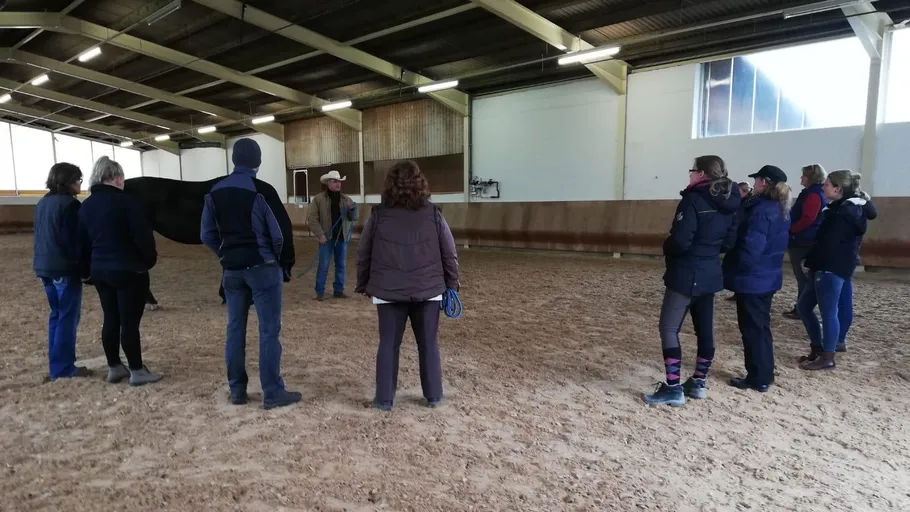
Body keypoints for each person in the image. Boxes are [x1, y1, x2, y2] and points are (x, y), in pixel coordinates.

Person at [201, 137, 300, 409]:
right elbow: (279, 233)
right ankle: (272, 391)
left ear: (234, 160)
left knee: (235, 329)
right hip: (262, 267)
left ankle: (237, 389)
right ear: (257, 162)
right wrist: (280, 261)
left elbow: (206, 234)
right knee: (269, 331)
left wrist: (224, 253)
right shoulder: (262, 190)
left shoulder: (215, 191)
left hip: (231, 270)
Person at [355, 161, 460, 412]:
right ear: (419, 182)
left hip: (388, 291)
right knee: (429, 344)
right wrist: (452, 283)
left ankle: (384, 399)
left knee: (388, 344)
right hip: (429, 290)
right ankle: (433, 395)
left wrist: (364, 284)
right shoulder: (434, 214)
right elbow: (449, 252)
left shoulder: (378, 215)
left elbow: (364, 252)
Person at [643, 156, 740, 406]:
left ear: (702, 174)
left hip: (687, 273)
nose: (690, 175)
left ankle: (673, 387)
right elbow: (729, 242)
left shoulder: (693, 200)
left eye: (692, 170)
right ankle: (699, 382)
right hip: (710, 273)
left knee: (668, 328)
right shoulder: (731, 203)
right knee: (705, 330)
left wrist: (667, 246)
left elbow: (680, 241)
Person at [79, 156, 161, 386]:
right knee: (129, 322)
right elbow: (143, 236)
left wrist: (88, 270)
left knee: (111, 318)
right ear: (115, 178)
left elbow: (82, 242)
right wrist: (147, 261)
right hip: (128, 269)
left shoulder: (86, 206)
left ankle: (114, 366)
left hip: (100, 270)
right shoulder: (127, 202)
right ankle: (137, 370)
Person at [797, 171, 876, 370]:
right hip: (829, 265)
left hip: (830, 267)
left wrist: (812, 261)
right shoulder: (842, 209)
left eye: (826, 184)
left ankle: (828, 356)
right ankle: (818, 347)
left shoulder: (844, 213)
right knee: (804, 307)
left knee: (828, 312)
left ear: (837, 189)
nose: (823, 187)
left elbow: (829, 243)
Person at [722, 165, 791, 393]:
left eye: (758, 180)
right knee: (760, 327)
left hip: (753, 279)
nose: (754, 184)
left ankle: (757, 377)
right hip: (767, 276)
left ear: (764, 182)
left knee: (752, 329)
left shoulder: (760, 210)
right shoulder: (779, 208)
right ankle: (764, 373)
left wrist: (736, 268)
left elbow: (752, 247)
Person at [33, 162, 92, 380]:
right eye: (78, 179)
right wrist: (84, 269)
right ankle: (63, 368)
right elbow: (74, 242)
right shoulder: (71, 205)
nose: (80, 184)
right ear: (68, 182)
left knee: (56, 316)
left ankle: (56, 365)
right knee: (67, 317)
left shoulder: (42, 203)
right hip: (63, 268)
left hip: (44, 267)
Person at [783, 164, 827, 320]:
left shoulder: (813, 195)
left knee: (803, 278)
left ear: (810, 177)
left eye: (804, 175)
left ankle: (802, 308)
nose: (801, 178)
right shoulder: (815, 193)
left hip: (804, 240)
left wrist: (792, 230)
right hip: (807, 238)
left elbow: (808, 218)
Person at [308, 170, 358, 301]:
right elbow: (312, 219)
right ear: (328, 183)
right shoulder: (318, 199)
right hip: (327, 238)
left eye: (340, 181)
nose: (338, 184)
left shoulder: (346, 200)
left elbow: (354, 218)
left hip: (341, 238)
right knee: (323, 265)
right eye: (336, 181)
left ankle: (338, 290)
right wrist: (320, 234)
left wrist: (352, 209)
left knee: (341, 265)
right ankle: (319, 291)